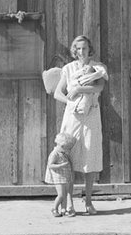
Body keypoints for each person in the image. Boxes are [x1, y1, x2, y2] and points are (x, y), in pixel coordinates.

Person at [53, 35, 108, 215]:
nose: (82, 52)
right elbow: (57, 93)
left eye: (85, 48)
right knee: (68, 158)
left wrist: (79, 89)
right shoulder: (68, 69)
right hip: (73, 117)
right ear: (74, 51)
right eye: (78, 49)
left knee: (89, 158)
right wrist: (70, 102)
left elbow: (99, 87)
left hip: (91, 115)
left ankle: (89, 202)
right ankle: (69, 203)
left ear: (89, 49)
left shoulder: (97, 67)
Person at [45, 132, 77, 217]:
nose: (69, 150)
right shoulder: (54, 154)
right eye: (68, 148)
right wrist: (61, 165)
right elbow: (50, 165)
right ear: (62, 146)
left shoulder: (63, 153)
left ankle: (63, 209)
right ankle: (54, 208)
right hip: (58, 177)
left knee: (65, 194)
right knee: (61, 195)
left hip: (64, 177)